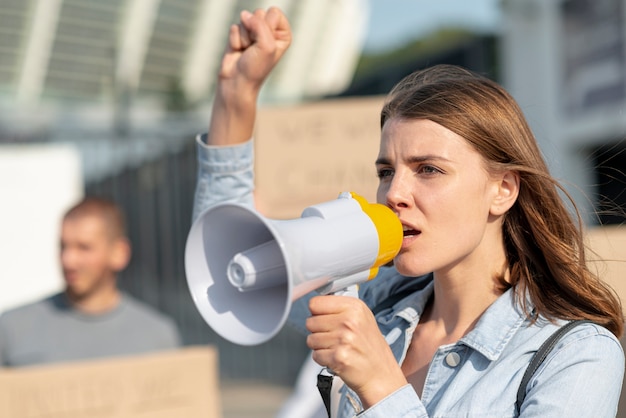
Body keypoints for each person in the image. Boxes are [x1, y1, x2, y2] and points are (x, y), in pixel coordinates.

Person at [192, 7, 625, 417]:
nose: (394, 192)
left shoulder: (575, 353)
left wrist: (381, 386)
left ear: (503, 190)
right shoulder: (378, 302)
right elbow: (231, 261)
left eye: (429, 170)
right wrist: (237, 96)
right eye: (386, 171)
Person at [0, 196, 181, 367]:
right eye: (63, 246)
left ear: (119, 253)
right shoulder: (11, 330)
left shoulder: (157, 337)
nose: (68, 260)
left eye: (84, 248)